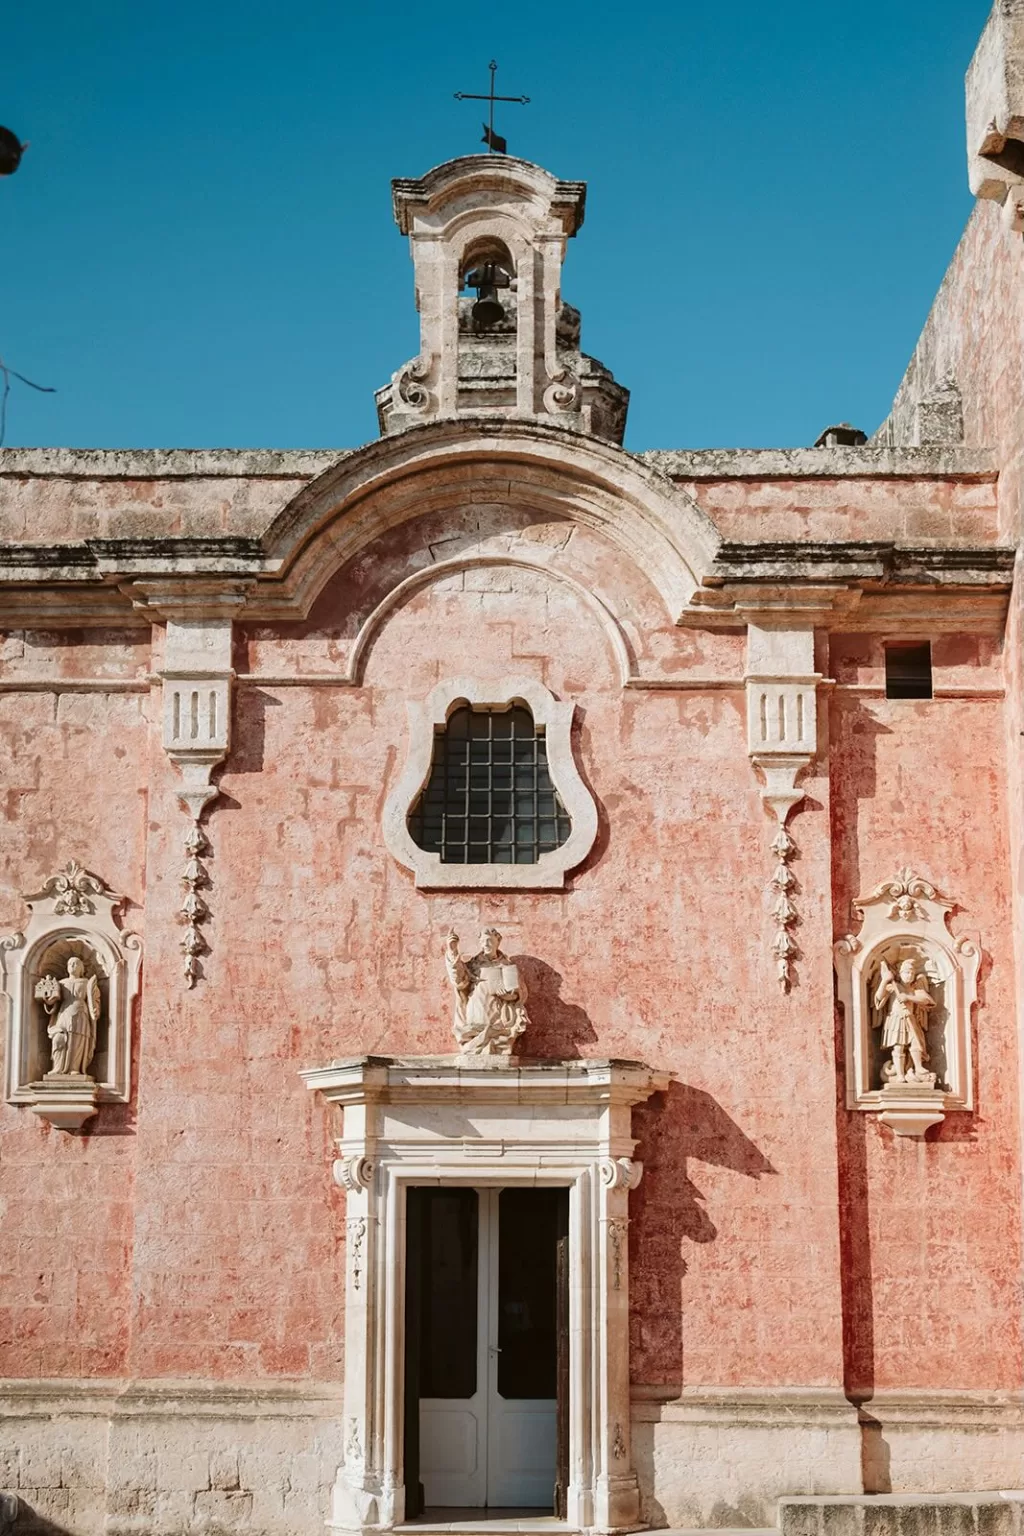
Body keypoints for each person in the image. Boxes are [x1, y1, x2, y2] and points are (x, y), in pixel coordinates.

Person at [444, 927, 529, 1056]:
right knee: (475, 1040)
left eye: (489, 940)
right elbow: (458, 979)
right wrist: (452, 950)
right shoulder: (473, 965)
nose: (486, 944)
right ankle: (474, 1044)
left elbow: (518, 994)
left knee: (494, 1036)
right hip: (476, 1010)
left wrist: (508, 996)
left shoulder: (507, 966)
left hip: (498, 1014)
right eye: (483, 941)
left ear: (498, 941)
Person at [873, 956, 935, 1083]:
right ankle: (900, 1075)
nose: (910, 975)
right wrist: (884, 980)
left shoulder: (914, 989)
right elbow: (878, 999)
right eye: (907, 972)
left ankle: (918, 1068)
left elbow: (929, 1001)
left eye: (912, 973)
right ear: (900, 973)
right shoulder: (893, 986)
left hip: (910, 1019)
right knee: (898, 1047)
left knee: (916, 1044)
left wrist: (908, 997)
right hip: (896, 1019)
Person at [40, 957, 101, 1076]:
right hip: (63, 1012)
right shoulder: (61, 983)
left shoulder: (87, 983)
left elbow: (95, 999)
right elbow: (53, 1001)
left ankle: (74, 1068)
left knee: (77, 1040)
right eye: (70, 963)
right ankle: (57, 1067)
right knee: (58, 1038)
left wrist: (95, 1009)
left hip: (80, 1013)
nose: (72, 965)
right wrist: (46, 995)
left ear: (81, 968)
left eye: (76, 963)